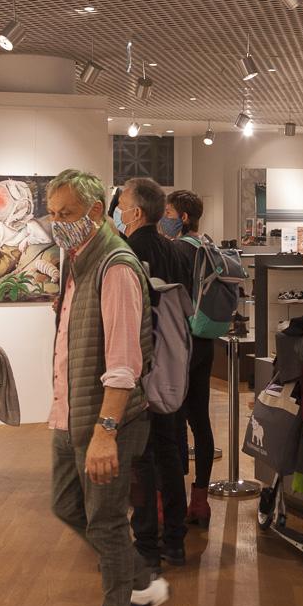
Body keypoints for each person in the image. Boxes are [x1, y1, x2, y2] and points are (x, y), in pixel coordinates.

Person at [44, 169, 169, 606]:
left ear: (96, 212)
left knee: (107, 521)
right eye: (53, 214)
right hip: (70, 413)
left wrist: (105, 432)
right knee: (66, 505)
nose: (58, 223)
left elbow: (123, 362)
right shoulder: (77, 260)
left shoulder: (115, 266)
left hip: (104, 420)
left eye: (67, 214)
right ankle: (140, 582)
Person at [120, 176, 192, 571]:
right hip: (173, 366)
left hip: (141, 366)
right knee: (169, 450)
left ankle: (146, 545)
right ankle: (175, 540)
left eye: (122, 204)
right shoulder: (175, 250)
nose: (119, 210)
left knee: (141, 458)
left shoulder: (127, 253)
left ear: (135, 212)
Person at [164, 188, 217, 526]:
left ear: (183, 217)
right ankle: (201, 501)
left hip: (180, 343)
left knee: (172, 422)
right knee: (200, 421)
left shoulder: (177, 250)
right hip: (206, 340)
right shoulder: (207, 247)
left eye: (169, 214)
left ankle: (173, 502)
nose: (164, 219)